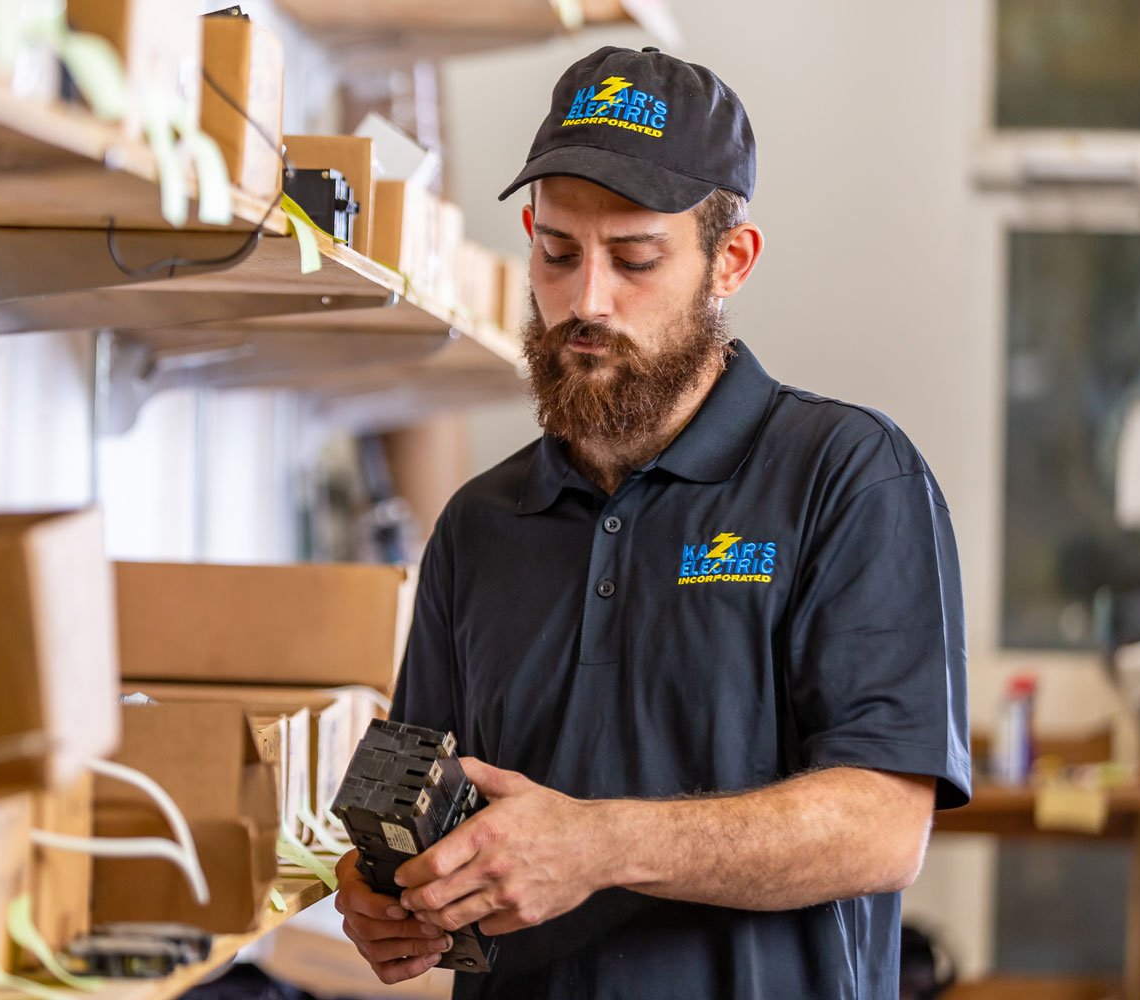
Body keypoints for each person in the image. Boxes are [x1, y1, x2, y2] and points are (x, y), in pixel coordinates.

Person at [333, 45, 970, 1000]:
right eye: (558, 254)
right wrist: (386, 893)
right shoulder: (478, 525)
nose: (586, 301)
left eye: (635, 259)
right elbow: (425, 803)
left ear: (730, 262)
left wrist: (597, 846)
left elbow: (882, 827)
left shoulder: (848, 478)